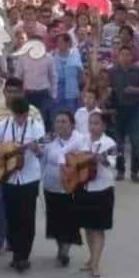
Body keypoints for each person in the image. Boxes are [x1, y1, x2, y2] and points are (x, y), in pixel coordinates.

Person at [0, 77, 42, 256]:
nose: (12, 95)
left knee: (20, 208)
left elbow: (42, 143)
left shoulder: (33, 113)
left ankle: (15, 243)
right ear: (4, 92)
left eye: (16, 92)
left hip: (24, 171)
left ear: (22, 93)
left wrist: (37, 148)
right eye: (9, 91)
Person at [40, 111, 88, 267]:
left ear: (72, 124)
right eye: (58, 121)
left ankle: (65, 250)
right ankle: (60, 246)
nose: (60, 124)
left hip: (72, 186)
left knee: (69, 219)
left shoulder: (80, 140)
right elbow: (43, 161)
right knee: (55, 219)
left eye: (64, 121)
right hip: (52, 186)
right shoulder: (49, 142)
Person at [76, 112, 117, 278]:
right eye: (90, 123)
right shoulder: (82, 139)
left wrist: (101, 159)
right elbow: (69, 156)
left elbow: (112, 163)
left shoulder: (110, 143)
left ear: (104, 126)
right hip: (84, 188)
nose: (92, 126)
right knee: (87, 226)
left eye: (96, 123)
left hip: (103, 189)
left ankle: (95, 264)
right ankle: (92, 257)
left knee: (98, 229)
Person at [108, 45, 139, 182]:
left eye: (127, 54)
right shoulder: (111, 72)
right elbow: (107, 91)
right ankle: (120, 170)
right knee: (119, 143)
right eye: (122, 54)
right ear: (118, 56)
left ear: (132, 56)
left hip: (134, 110)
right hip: (117, 110)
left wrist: (134, 90)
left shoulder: (138, 71)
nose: (125, 57)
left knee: (136, 142)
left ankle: (135, 172)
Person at [52, 33, 83, 118]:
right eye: (57, 42)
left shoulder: (75, 54)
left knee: (71, 116)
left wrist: (80, 89)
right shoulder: (52, 55)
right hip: (57, 92)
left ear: (68, 43)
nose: (59, 44)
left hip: (72, 91)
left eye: (61, 42)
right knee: (58, 115)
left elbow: (80, 74)